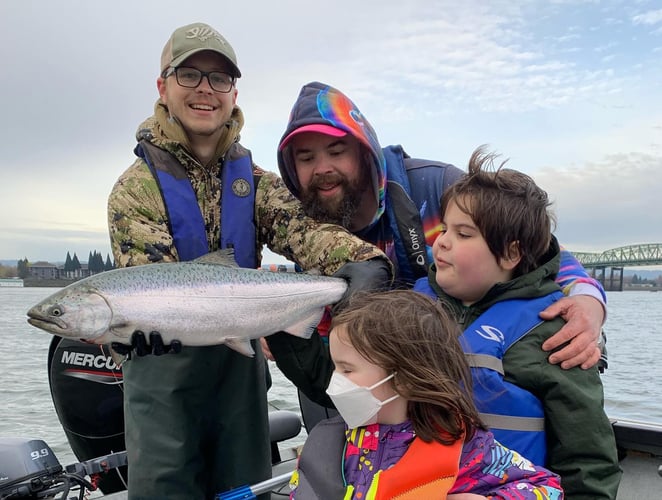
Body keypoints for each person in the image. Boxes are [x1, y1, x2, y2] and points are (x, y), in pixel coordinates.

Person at [106, 23, 391, 500]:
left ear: (233, 91)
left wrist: (363, 260)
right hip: (162, 378)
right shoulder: (134, 191)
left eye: (219, 79)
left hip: (239, 371)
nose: (205, 89)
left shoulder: (255, 183)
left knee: (247, 489)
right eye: (190, 75)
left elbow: (305, 232)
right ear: (163, 86)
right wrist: (124, 337)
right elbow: (140, 293)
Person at [265, 81, 607, 412]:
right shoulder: (305, 232)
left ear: (365, 152)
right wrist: (282, 333)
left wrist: (588, 300)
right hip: (373, 396)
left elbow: (531, 245)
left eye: (337, 151)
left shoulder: (438, 187)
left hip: (472, 383)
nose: (323, 169)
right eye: (306, 158)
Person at [413, 147, 621, 498]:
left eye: (463, 234)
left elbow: (587, 455)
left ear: (511, 253)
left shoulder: (553, 333)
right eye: (444, 228)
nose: (442, 242)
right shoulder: (409, 309)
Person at [289, 289, 564, 499]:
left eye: (348, 370)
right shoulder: (332, 442)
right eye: (335, 366)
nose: (335, 380)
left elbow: (547, 488)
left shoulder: (466, 448)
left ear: (405, 378)